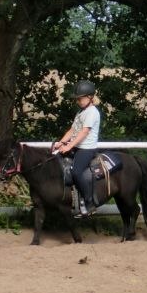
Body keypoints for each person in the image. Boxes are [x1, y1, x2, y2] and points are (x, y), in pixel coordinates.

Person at [54, 80, 101, 218]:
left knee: (77, 172)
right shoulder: (81, 112)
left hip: (86, 149)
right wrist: (61, 142)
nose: (78, 101)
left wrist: (69, 146)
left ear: (90, 97)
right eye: (78, 99)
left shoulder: (92, 112)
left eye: (81, 98)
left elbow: (84, 132)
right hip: (77, 146)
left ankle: (89, 203)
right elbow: (72, 130)